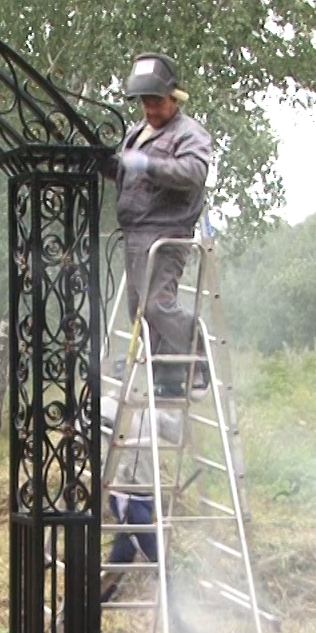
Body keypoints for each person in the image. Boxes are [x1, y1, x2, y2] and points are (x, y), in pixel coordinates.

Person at [102, 53, 213, 397]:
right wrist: (107, 164)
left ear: (173, 97)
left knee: (157, 304)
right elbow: (128, 171)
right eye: (145, 102)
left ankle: (199, 355)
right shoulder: (138, 132)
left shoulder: (189, 134)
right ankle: (166, 373)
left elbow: (195, 173)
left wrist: (147, 164)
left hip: (167, 232)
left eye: (156, 101)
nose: (150, 108)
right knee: (139, 310)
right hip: (136, 232)